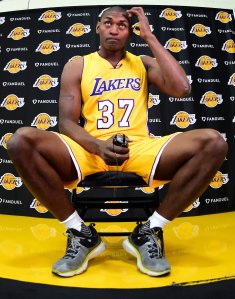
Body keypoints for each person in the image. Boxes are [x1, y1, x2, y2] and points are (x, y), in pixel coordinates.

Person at [7, 6, 228, 278]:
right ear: (98, 27)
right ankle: (81, 233)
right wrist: (97, 146)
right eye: (108, 23)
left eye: (122, 24)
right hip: (90, 148)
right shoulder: (78, 65)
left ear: (130, 31)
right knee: (21, 141)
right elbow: (65, 123)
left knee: (214, 142)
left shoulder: (143, 62)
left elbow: (181, 88)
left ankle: (147, 231)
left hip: (138, 147)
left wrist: (150, 37)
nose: (114, 29)